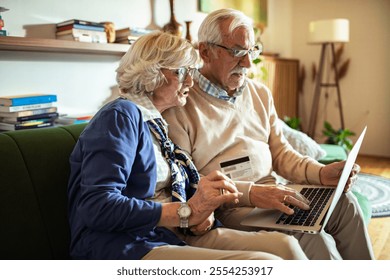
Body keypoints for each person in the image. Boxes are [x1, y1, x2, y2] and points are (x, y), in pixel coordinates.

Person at [67, 31, 308, 260]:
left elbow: (179, 194)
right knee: (265, 263)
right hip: (126, 245)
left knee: (285, 246)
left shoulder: (157, 122)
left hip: (169, 233)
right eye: (183, 72)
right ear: (154, 72)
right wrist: (185, 212)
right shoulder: (121, 116)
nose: (191, 81)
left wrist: (201, 215)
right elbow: (97, 206)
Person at [162, 9, 375, 260]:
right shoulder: (181, 104)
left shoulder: (259, 93)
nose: (248, 63)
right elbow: (188, 181)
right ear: (205, 52)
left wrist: (320, 172)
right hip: (232, 208)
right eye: (237, 52)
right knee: (312, 238)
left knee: (345, 205)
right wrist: (253, 193)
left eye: (251, 51)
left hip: (274, 192)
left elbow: (282, 153)